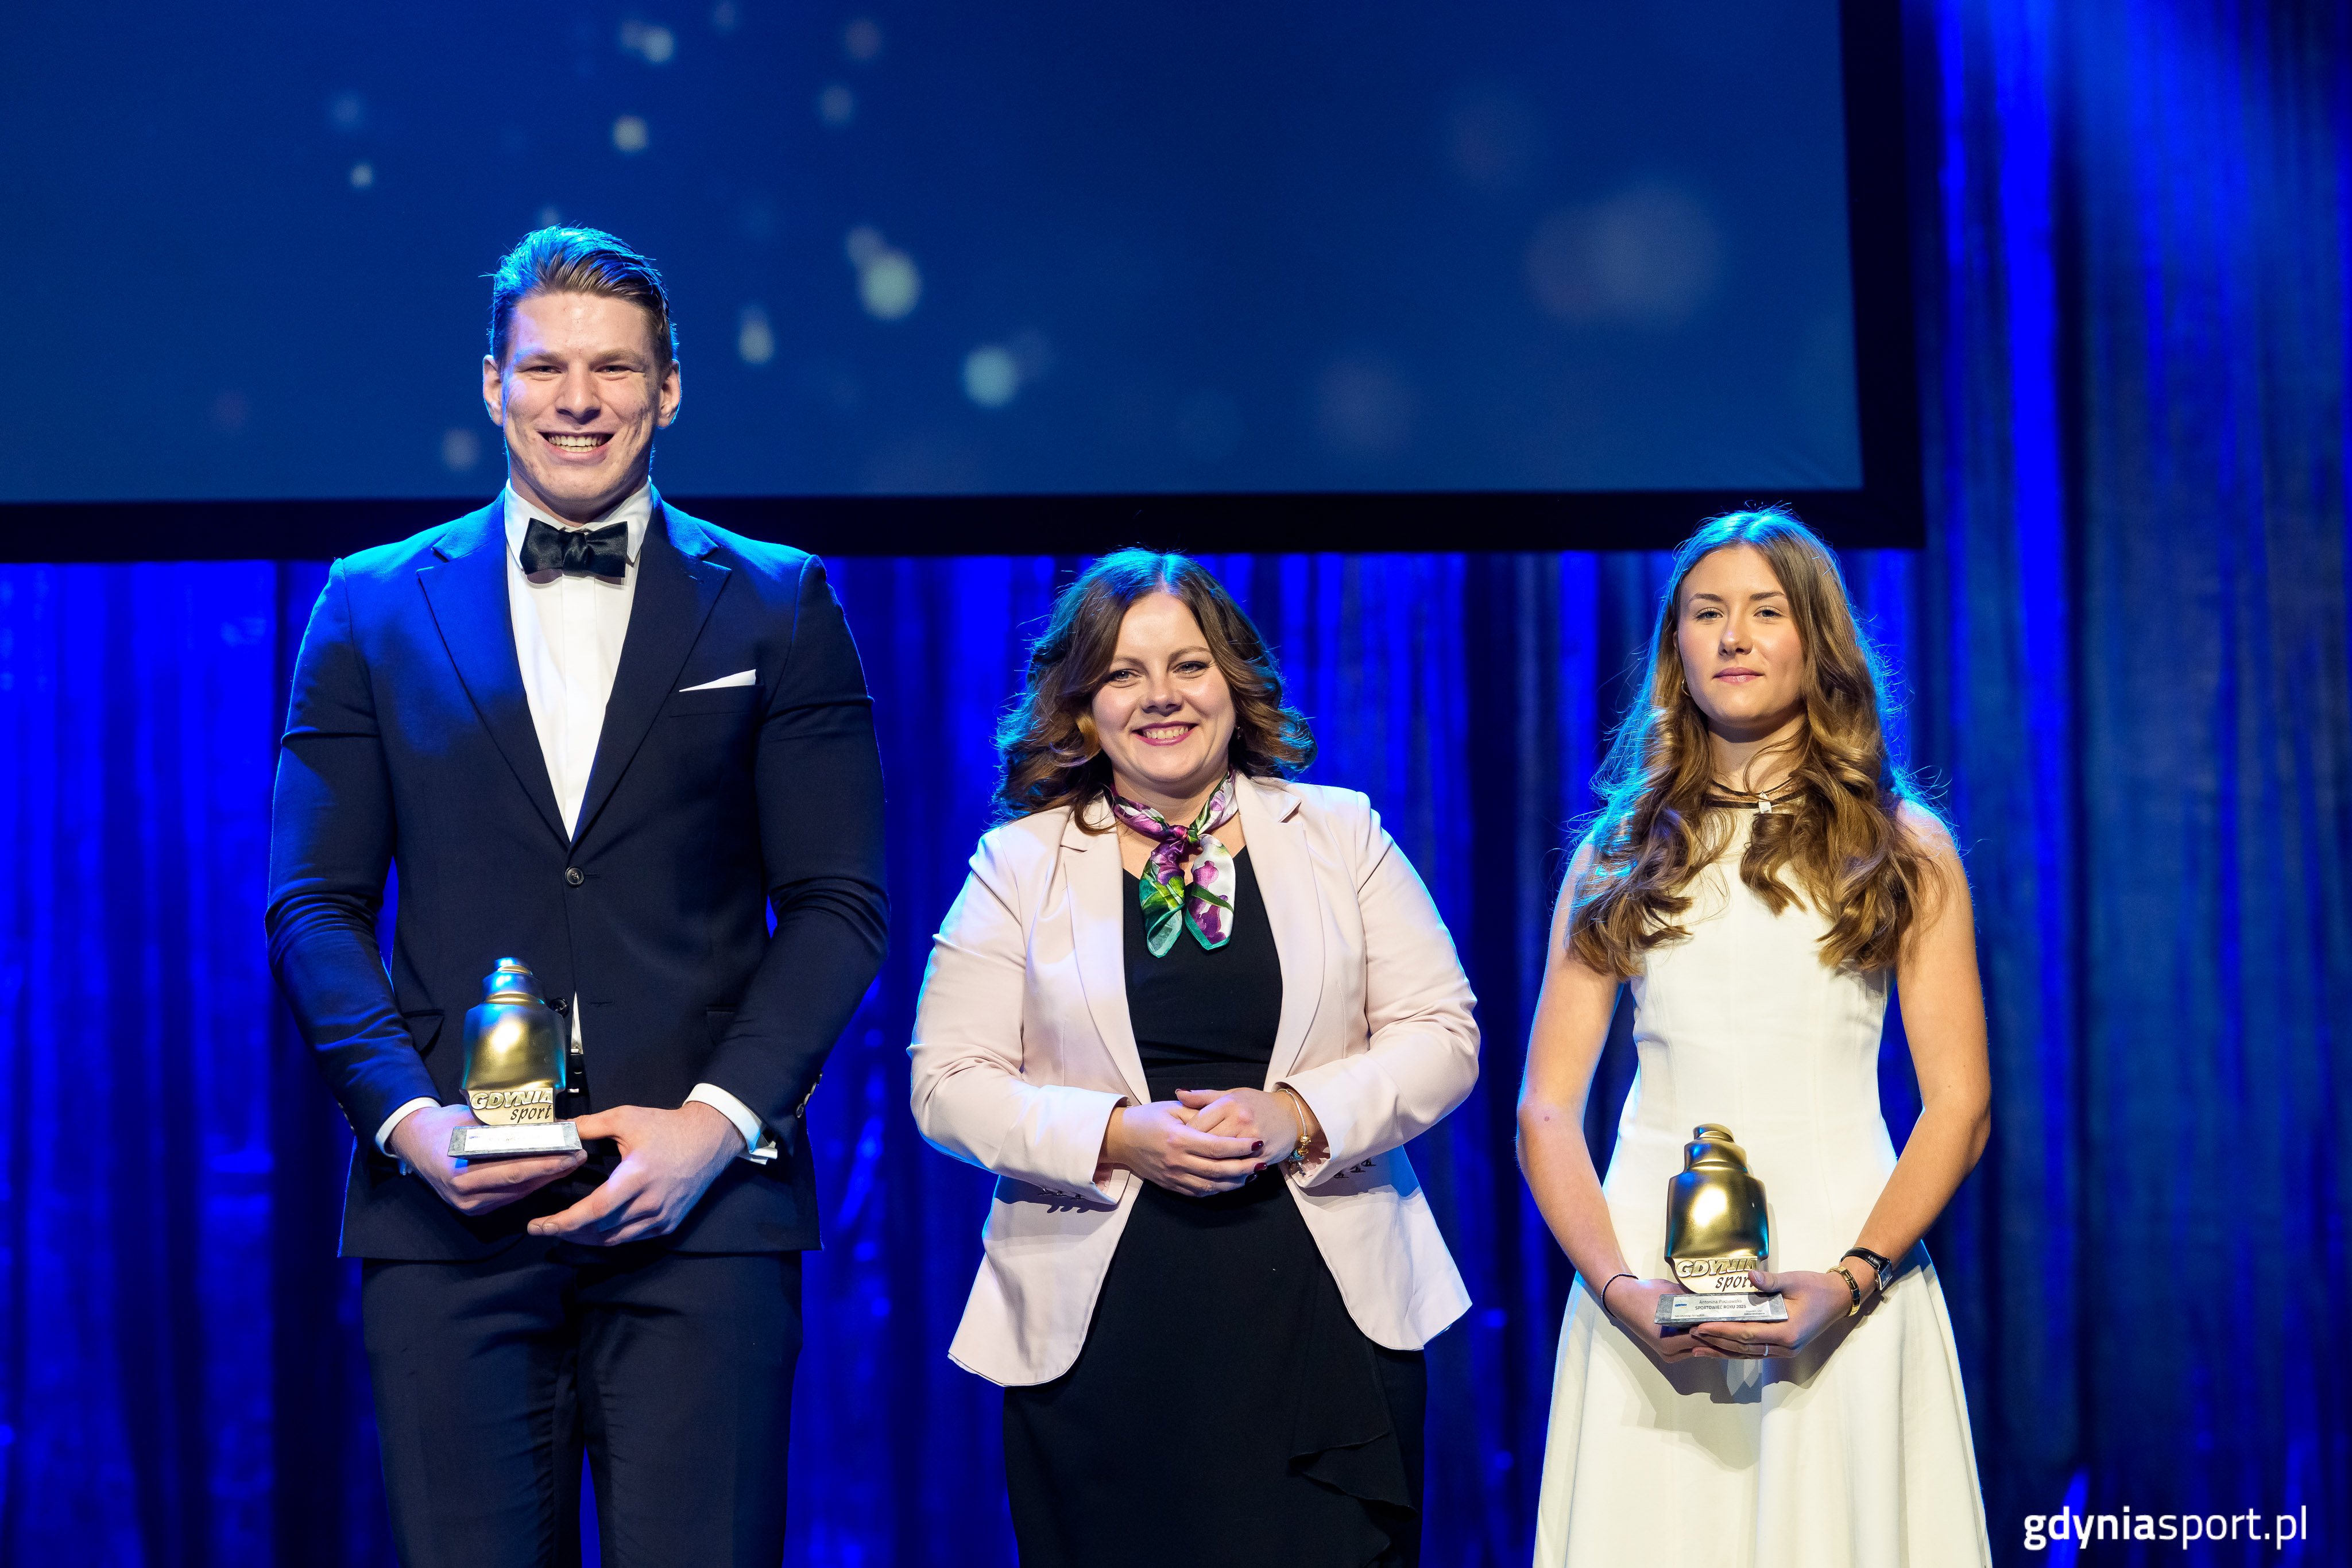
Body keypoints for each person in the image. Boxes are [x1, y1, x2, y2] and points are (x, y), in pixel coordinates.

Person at [266, 228, 887, 1566]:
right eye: (544, 366)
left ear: (670, 390)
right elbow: (312, 903)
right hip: (451, 1211)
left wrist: (715, 1126)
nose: (578, 397)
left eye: (615, 368)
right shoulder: (369, 605)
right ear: (490, 384)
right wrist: (406, 1123)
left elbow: (839, 903)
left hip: (703, 1214)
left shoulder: (778, 602)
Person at [908, 550, 1477, 1567]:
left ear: (1236, 684)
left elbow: (1443, 1034)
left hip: (1320, 1306)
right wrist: (1118, 1136)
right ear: (1082, 708)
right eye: (1124, 674)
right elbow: (947, 1084)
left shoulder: (1342, 834)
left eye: (1189, 666)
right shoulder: (1018, 865)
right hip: (1105, 1318)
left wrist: (1295, 1116)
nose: (1161, 697)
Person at [1521, 510, 1994, 1566]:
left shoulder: (1903, 848)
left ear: (1816, 641)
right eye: (1707, 613)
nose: (1734, 635)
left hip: (1841, 1275)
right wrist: (1619, 1289)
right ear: (1675, 648)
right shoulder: (1618, 853)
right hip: (1646, 1285)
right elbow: (1545, 1109)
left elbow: (1959, 1106)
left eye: (1766, 611)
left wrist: (1856, 1274)